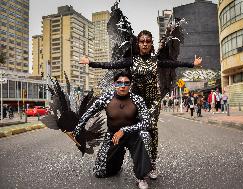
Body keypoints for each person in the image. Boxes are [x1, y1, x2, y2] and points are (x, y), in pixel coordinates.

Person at [80, 30, 202, 179]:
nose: (145, 44)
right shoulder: (132, 60)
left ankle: (152, 164)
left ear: (151, 44)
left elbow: (174, 63)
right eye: (142, 41)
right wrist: (90, 62)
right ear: (138, 44)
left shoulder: (156, 61)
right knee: (137, 131)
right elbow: (112, 65)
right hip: (135, 101)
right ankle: (137, 159)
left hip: (153, 101)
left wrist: (192, 64)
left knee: (151, 129)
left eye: (148, 41)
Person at [73, 71, 152, 189]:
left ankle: (141, 176)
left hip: (132, 135)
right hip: (113, 136)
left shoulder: (137, 99)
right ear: (114, 84)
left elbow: (147, 122)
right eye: (119, 83)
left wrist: (124, 130)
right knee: (100, 172)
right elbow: (88, 112)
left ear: (130, 84)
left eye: (126, 83)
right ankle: (116, 161)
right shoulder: (106, 98)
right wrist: (78, 128)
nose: (123, 86)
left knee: (144, 135)